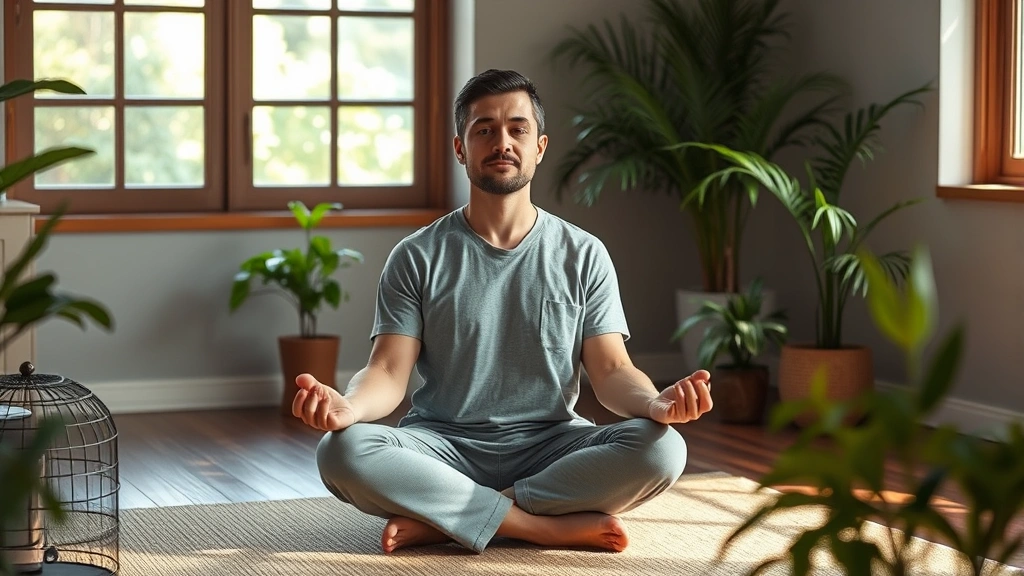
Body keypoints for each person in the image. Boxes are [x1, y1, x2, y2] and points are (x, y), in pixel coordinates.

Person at [292, 68, 713, 555]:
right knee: (343, 450)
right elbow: (387, 370)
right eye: (484, 130)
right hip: (442, 449)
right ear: (460, 149)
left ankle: (452, 518)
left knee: (663, 448)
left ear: (540, 146)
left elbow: (613, 369)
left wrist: (655, 403)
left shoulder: (583, 253)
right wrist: (349, 407)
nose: (502, 142)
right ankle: (537, 525)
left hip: (552, 447)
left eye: (518, 128)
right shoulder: (416, 255)